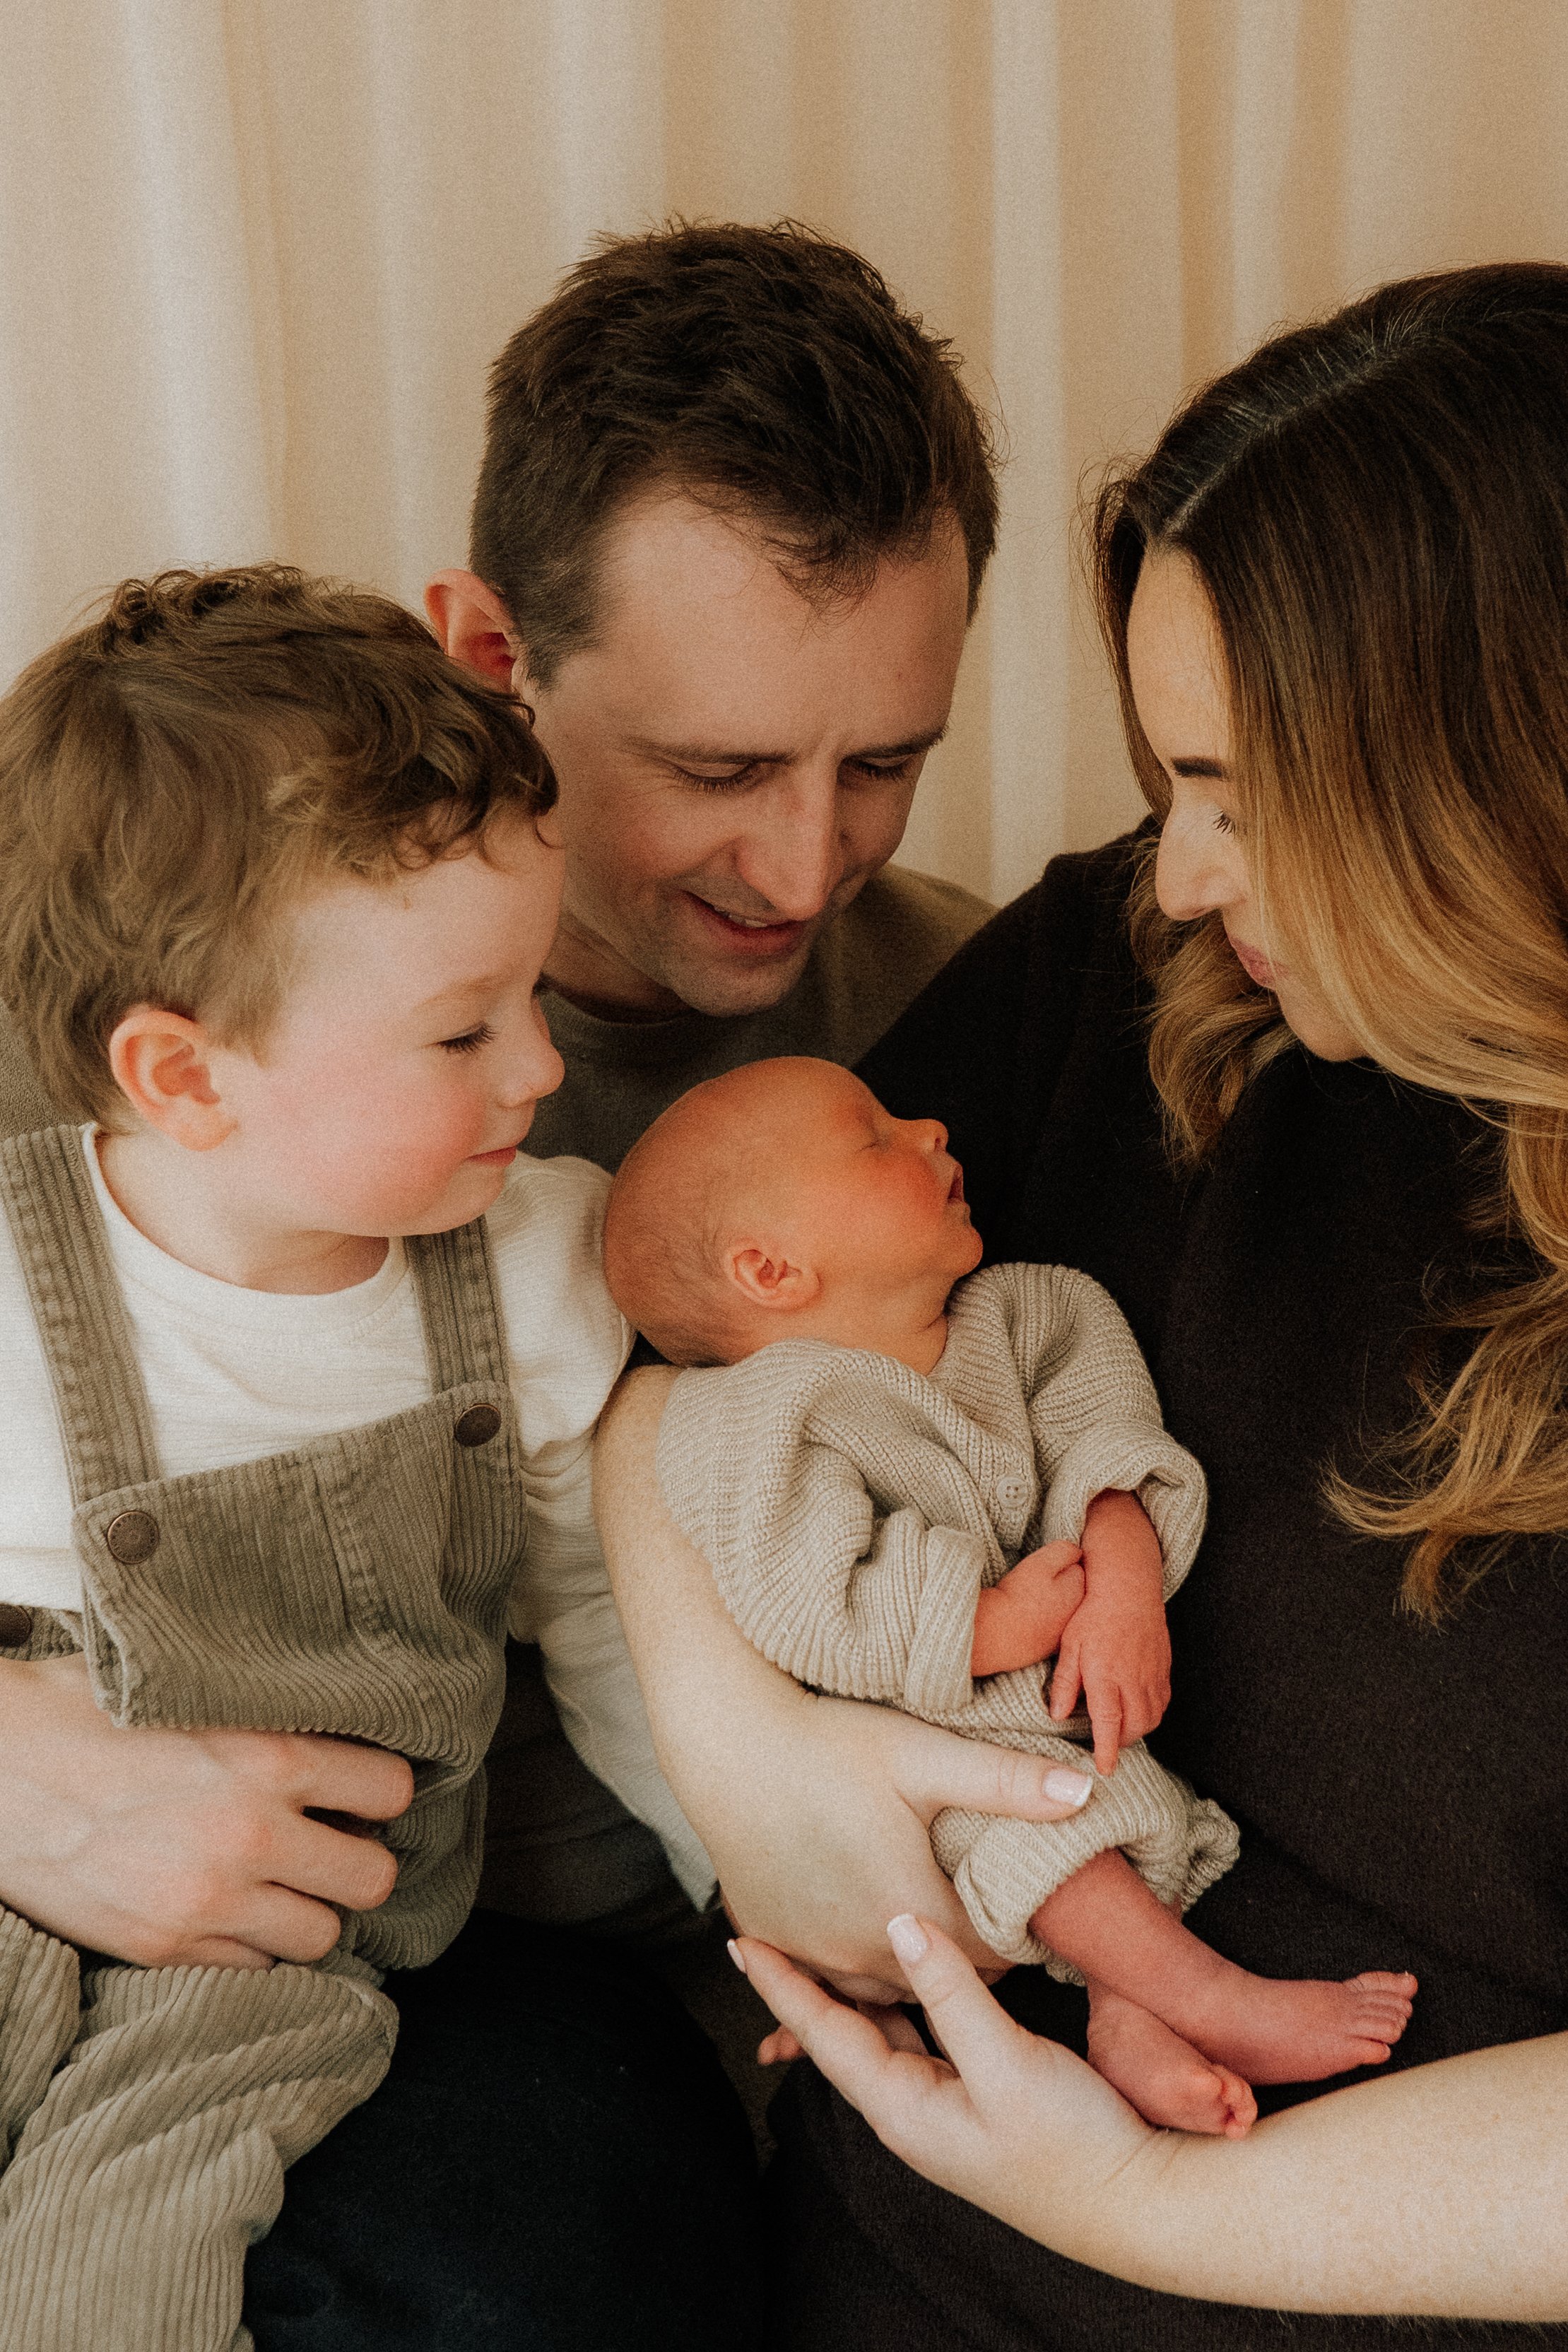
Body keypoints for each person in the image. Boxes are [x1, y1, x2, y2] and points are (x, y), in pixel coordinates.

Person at [594, 260, 1568, 2345]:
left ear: (1503, 782)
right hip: (891, 2268)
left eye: (1241, 795)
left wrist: (1146, 2207)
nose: (1180, 872)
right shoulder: (1149, 983)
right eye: (1166, 781)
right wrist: (737, 1733)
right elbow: (696, 1347)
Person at [0, 563, 715, 2348]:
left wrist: (745, 1872)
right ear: (183, 1077)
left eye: (533, 995)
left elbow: (617, 1632)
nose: (543, 1063)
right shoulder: (14, 1279)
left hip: (288, 1945)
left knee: (135, 2226)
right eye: (464, 1029)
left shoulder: (541, 1276)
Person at [601, 1054, 1415, 2137]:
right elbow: (804, 1594)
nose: (931, 1124)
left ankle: (1131, 2022)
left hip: (1065, 1699)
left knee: (1111, 1812)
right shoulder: (753, 1421)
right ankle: (1213, 1997)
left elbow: (1111, 1440)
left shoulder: (1032, 1311)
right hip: (913, 1751)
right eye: (875, 1136)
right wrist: (987, 1625)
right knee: (1050, 1840)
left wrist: (1124, 1583)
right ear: (770, 1269)